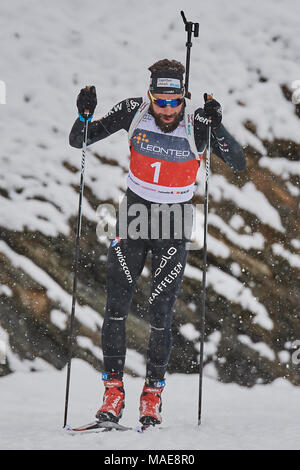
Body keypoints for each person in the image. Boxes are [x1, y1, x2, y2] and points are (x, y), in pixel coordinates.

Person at [69, 59, 246, 427]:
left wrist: (218, 125)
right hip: (134, 213)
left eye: (174, 101)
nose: (167, 110)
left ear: (185, 97)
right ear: (150, 96)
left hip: (174, 220)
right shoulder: (134, 111)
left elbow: (239, 162)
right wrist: (84, 113)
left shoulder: (197, 124)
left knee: (161, 314)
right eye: (160, 101)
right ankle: (113, 393)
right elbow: (80, 139)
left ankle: (152, 396)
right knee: (116, 306)